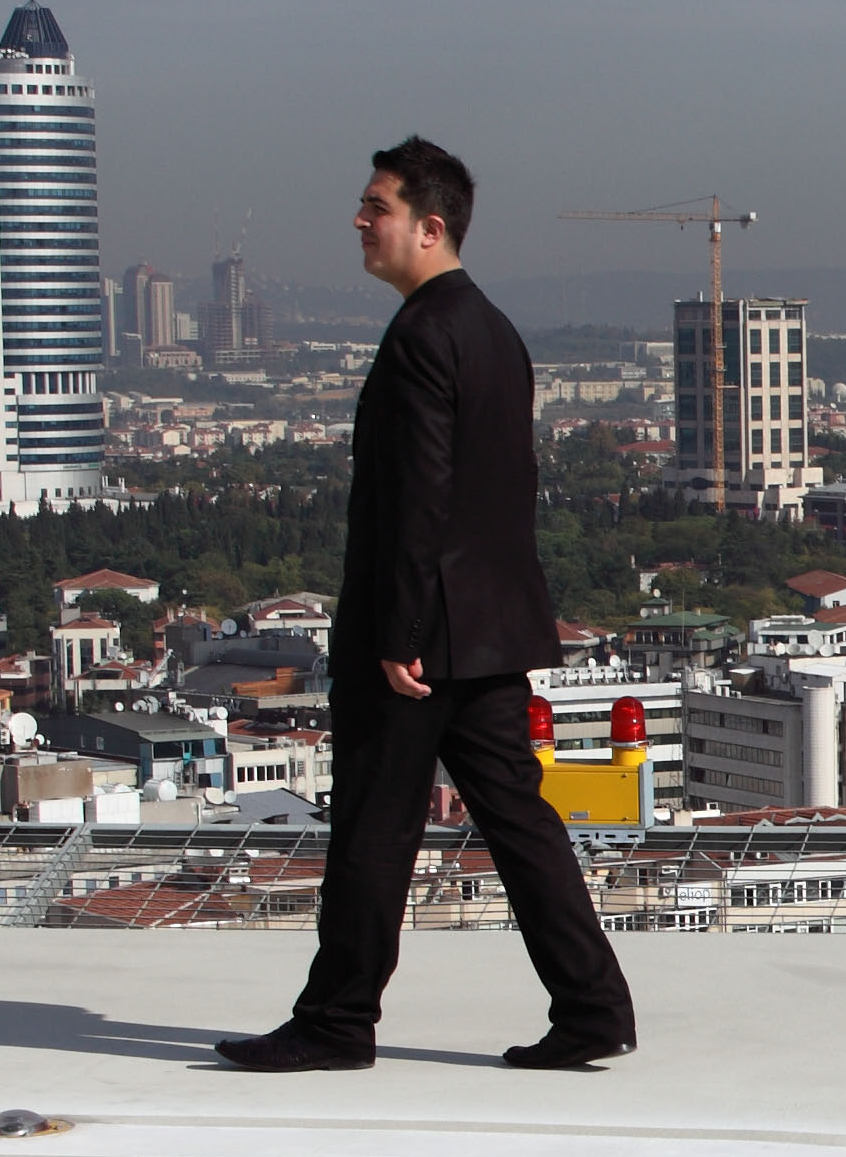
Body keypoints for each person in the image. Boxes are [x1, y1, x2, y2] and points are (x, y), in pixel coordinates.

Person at [214, 138, 640, 1076]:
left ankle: (337, 1021)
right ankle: (594, 1007)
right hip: (490, 627)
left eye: (377, 208)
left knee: (374, 827)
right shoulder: (493, 330)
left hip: (417, 634)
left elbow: (417, 498)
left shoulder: (419, 335)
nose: (360, 221)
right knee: (521, 821)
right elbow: (502, 490)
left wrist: (400, 632)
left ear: (429, 226)